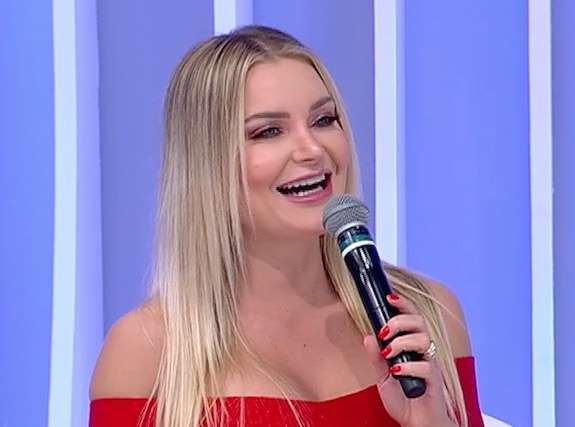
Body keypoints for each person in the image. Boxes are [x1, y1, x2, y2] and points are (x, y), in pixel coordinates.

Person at [89, 25, 483, 427]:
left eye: (324, 119)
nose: (312, 149)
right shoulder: (145, 354)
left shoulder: (428, 317)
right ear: (207, 164)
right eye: (269, 131)